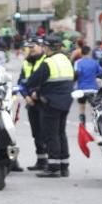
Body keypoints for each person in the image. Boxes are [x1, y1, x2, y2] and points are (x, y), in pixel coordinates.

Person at [24, 34, 74, 178]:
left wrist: (34, 90)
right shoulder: (66, 60)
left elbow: (32, 81)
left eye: (45, 47)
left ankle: (53, 167)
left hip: (51, 102)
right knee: (61, 133)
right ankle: (64, 166)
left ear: (48, 47)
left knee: (51, 134)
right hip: (66, 102)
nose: (44, 49)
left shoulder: (49, 62)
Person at [18, 38, 48, 171]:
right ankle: (41, 161)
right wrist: (26, 96)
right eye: (29, 47)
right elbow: (21, 82)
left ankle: (50, 160)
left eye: (33, 47)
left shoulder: (46, 61)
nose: (31, 49)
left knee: (45, 132)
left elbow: (48, 81)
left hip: (43, 101)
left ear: (41, 47)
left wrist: (37, 93)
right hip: (31, 102)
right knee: (36, 132)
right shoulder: (26, 63)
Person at [73, 45, 102, 123]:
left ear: (81, 53)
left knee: (81, 108)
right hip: (93, 89)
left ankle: (83, 126)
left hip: (82, 89)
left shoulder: (78, 62)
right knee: (95, 108)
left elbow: (76, 74)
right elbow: (101, 73)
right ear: (89, 52)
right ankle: (97, 124)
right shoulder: (94, 62)